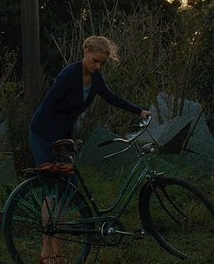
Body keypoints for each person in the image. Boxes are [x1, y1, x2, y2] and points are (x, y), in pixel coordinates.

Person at [29, 35, 150, 264]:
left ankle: (58, 251)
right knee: (52, 190)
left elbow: (111, 97)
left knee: (69, 190)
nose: (98, 66)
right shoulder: (68, 75)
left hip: (63, 136)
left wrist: (138, 111)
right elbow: (49, 107)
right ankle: (47, 252)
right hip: (43, 134)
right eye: (95, 61)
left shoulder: (95, 80)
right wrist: (59, 144)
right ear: (86, 51)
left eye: (101, 63)